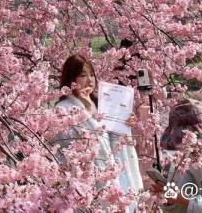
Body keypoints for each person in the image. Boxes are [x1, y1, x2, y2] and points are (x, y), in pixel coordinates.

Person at [56, 54, 142, 211]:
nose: (90, 80)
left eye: (92, 75)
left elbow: (114, 144)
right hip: (86, 185)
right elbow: (68, 150)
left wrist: (124, 126)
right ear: (71, 79)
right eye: (83, 75)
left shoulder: (102, 106)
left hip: (113, 181)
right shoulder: (63, 110)